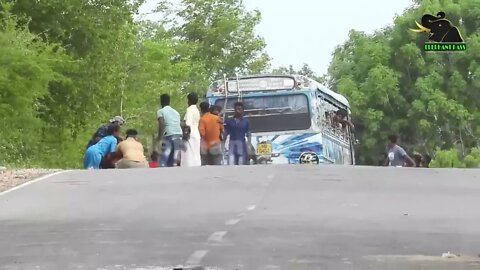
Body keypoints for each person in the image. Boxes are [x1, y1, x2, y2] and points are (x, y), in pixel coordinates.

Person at [157, 94, 183, 167]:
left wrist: (159, 137)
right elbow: (180, 124)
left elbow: (161, 124)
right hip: (179, 135)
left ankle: (161, 175)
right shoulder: (176, 112)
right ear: (169, 102)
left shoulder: (161, 111)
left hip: (169, 135)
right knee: (173, 159)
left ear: (161, 102)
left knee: (164, 157)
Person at [181, 93, 202, 167]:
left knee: (188, 154)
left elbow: (188, 123)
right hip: (196, 133)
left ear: (189, 100)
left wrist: (182, 124)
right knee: (195, 153)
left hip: (190, 134)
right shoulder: (197, 110)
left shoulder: (189, 110)